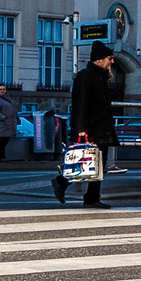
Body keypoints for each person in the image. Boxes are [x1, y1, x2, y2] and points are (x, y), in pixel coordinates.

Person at [53, 40, 119, 208]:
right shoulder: (86, 76)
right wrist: (82, 128)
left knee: (97, 165)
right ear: (99, 59)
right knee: (87, 161)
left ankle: (91, 196)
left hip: (100, 127)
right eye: (109, 58)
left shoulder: (100, 77)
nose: (112, 61)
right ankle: (63, 182)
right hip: (92, 128)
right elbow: (81, 103)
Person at [0, 84, 18, 161]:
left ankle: (2, 157)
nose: (2, 90)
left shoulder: (8, 99)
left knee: (5, 140)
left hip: (9, 124)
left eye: (4, 89)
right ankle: (1, 157)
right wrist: (3, 118)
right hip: (1, 125)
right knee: (0, 142)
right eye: (0, 89)